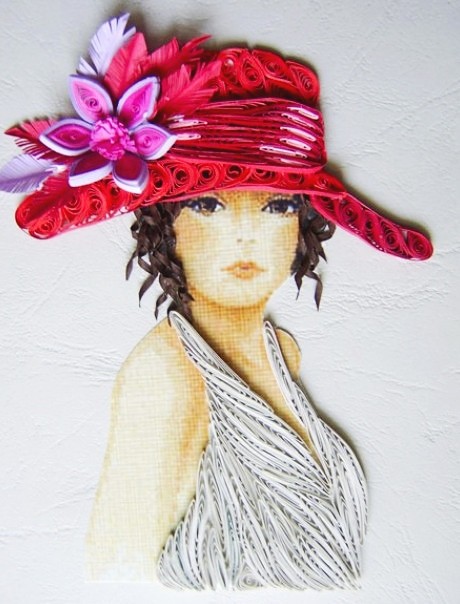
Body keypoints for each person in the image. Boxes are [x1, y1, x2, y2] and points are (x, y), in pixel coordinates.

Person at [0, 13, 431, 590]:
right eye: (208, 206)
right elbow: (117, 566)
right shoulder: (167, 374)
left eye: (277, 206)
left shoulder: (283, 350)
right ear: (166, 227)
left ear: (303, 226)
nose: (245, 236)